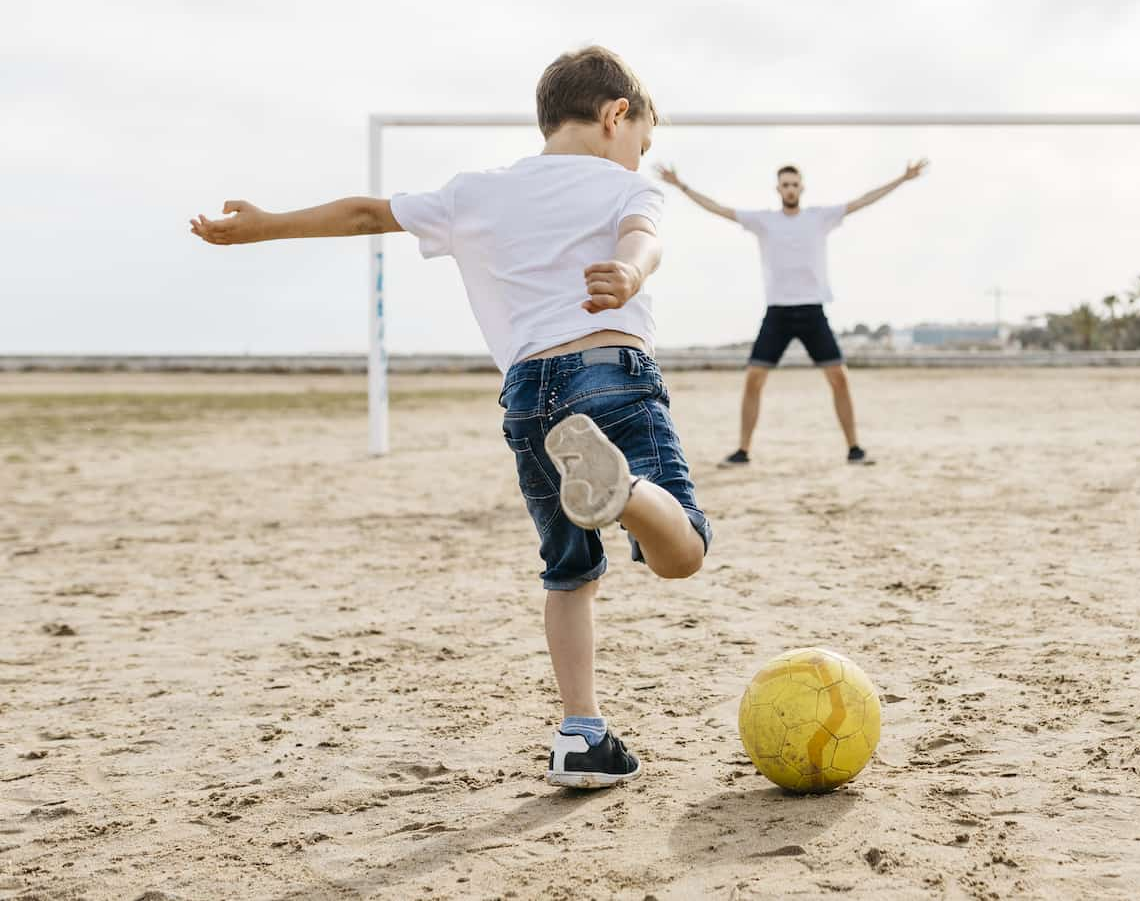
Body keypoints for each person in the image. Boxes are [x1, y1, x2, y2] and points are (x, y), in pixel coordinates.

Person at [190, 46, 710, 789]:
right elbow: (643, 237)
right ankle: (622, 492)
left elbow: (368, 212)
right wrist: (629, 272)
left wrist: (265, 225)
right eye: (641, 144)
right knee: (683, 550)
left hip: (531, 395)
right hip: (610, 375)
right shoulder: (626, 187)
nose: (638, 159)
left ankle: (580, 734)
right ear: (614, 116)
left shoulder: (476, 191)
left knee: (568, 574)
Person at [657, 158, 928, 466]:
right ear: (778, 189)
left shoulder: (819, 217)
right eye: (784, 185)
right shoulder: (764, 221)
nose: (789, 189)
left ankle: (854, 448)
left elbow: (863, 201)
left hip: (813, 311)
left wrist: (902, 179)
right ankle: (743, 451)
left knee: (839, 377)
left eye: (794, 184)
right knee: (754, 379)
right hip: (778, 313)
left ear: (801, 187)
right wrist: (681, 186)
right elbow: (718, 208)